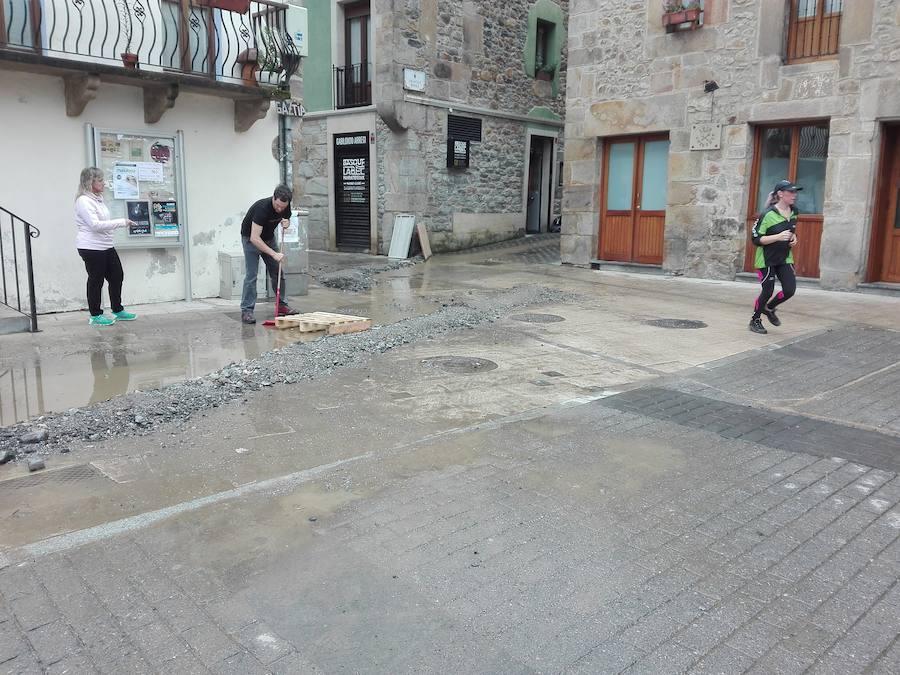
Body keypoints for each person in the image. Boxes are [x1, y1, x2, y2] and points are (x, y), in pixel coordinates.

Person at [75, 167, 138, 326]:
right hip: (91, 247)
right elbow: (95, 225)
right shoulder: (83, 201)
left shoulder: (98, 200)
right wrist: (121, 222)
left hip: (106, 246)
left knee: (117, 276)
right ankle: (95, 315)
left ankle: (117, 310)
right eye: (100, 180)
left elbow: (103, 223)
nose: (104, 183)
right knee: (96, 280)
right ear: (90, 182)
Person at [240, 184, 299, 324]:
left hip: (268, 238)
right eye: (277, 205)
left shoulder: (285, 206)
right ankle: (247, 310)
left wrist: (287, 223)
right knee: (252, 275)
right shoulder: (262, 208)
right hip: (250, 239)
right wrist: (273, 254)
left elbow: (286, 219)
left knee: (278, 272)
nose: (280, 209)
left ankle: (282, 306)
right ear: (273, 197)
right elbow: (255, 238)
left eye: (282, 207)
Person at [748, 179, 800, 335]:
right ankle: (755, 320)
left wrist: (794, 238)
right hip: (766, 259)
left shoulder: (794, 211)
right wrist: (777, 237)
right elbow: (756, 239)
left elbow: (791, 230)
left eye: (795, 192)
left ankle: (769, 308)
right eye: (791, 192)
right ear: (780, 194)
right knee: (767, 290)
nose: (794, 195)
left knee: (790, 290)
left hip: (785, 258)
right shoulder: (767, 214)